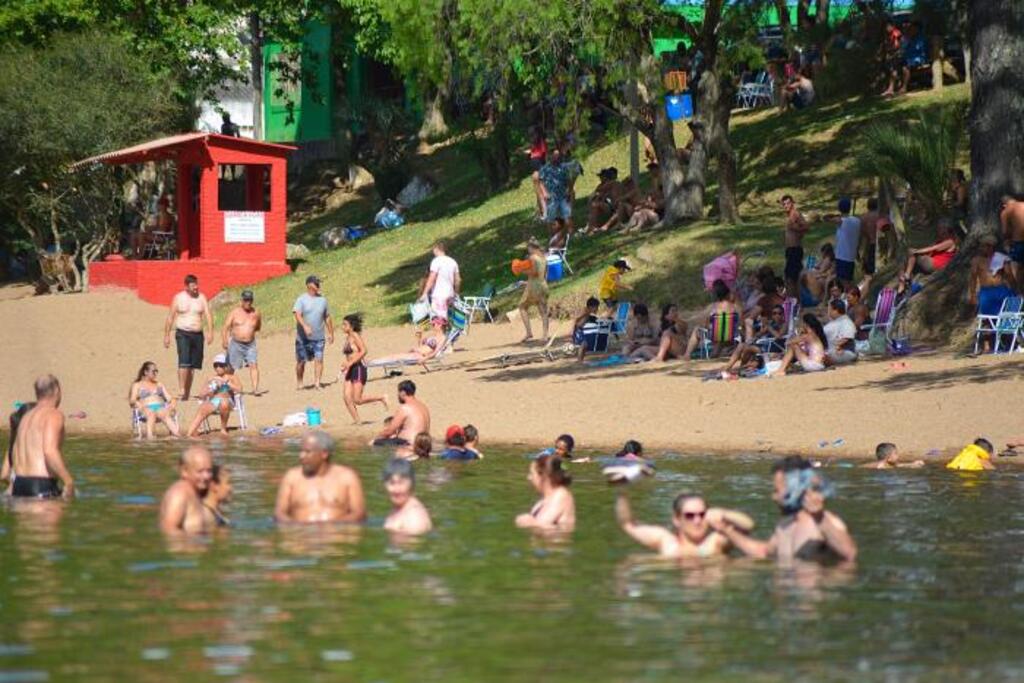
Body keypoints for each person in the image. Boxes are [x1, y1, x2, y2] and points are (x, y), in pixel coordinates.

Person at [711, 455, 858, 563]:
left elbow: (849, 553)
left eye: (777, 490)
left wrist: (820, 517)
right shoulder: (785, 525)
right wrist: (727, 530)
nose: (774, 497)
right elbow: (762, 552)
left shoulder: (826, 521)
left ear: (795, 489)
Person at [616, 492, 752, 559]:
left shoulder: (716, 541)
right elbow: (628, 524)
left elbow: (748, 526)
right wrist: (622, 490)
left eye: (702, 514)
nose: (697, 520)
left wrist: (723, 514)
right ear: (677, 519)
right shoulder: (666, 542)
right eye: (690, 516)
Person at [275, 431, 367, 523]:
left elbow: (359, 513)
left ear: (324, 454)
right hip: (300, 534)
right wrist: (294, 527)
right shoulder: (292, 477)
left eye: (307, 452)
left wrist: (333, 528)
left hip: (337, 534)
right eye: (301, 451)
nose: (301, 456)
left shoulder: (347, 477)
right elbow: (280, 513)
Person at [6, 376, 73, 499]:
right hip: (41, 484)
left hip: (19, 485)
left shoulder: (26, 417)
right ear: (57, 391)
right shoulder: (53, 414)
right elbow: (49, 451)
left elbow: (16, 451)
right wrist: (68, 481)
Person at [163, 274, 213, 400]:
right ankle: (181, 388)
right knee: (183, 362)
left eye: (196, 285)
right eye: (193, 286)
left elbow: (208, 315)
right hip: (183, 333)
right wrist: (167, 335)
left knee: (192, 366)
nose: (196, 288)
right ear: (186, 286)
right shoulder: (178, 298)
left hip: (197, 334)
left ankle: (187, 392)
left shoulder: (201, 298)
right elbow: (170, 317)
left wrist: (210, 332)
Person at [338, 313, 388, 424]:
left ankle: (381, 397)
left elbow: (364, 350)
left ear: (351, 326)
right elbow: (351, 354)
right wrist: (346, 363)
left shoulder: (355, 335)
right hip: (350, 369)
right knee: (346, 397)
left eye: (345, 324)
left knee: (357, 400)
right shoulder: (347, 337)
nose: (342, 327)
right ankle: (358, 422)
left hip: (358, 368)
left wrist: (350, 362)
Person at [159, 446, 214, 534]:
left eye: (209, 471)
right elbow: (169, 530)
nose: (206, 476)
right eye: (200, 471)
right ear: (184, 471)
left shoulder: (197, 492)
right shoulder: (179, 493)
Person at [683, 279, 742, 360]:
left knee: (697, 330)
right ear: (727, 293)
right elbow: (741, 322)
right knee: (723, 333)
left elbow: (705, 323)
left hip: (715, 337)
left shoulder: (712, 307)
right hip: (732, 337)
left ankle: (687, 355)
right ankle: (716, 352)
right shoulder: (735, 307)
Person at [514, 455, 575, 532]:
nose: (529, 478)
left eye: (532, 474)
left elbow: (545, 526)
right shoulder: (545, 499)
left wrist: (529, 522)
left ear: (544, 476)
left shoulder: (561, 495)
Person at [293, 275, 334, 390]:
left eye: (318, 283)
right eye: (316, 283)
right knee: (301, 362)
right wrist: (305, 326)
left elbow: (327, 317)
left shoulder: (323, 300)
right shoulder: (301, 299)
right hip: (303, 338)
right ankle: (300, 382)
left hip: (319, 337)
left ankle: (317, 383)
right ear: (309, 285)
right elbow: (297, 314)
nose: (318, 285)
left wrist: (331, 333)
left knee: (319, 359)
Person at [185, 354, 242, 437]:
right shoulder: (211, 378)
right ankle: (189, 433)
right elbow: (201, 395)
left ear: (226, 366)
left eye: (221, 365)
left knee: (224, 403)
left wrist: (226, 383)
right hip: (215, 400)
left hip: (228, 400)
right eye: (216, 365)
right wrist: (208, 390)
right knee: (202, 408)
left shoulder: (232, 377)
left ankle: (223, 428)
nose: (218, 368)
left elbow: (239, 389)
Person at [898, 219, 958, 294]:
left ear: (945, 229)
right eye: (938, 228)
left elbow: (935, 248)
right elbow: (930, 249)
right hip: (931, 262)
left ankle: (907, 276)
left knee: (914, 254)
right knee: (904, 259)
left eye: (940, 228)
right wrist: (916, 251)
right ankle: (901, 288)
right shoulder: (940, 240)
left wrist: (917, 251)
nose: (938, 230)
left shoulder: (950, 241)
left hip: (935, 265)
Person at [222, 290, 262, 395]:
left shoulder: (256, 313)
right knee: (230, 367)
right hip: (236, 343)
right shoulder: (235, 312)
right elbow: (225, 327)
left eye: (250, 300)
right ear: (242, 300)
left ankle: (255, 389)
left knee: (253, 364)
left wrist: (249, 332)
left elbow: (258, 327)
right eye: (246, 300)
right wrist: (224, 340)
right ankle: (226, 386)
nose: (248, 302)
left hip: (250, 344)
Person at [418, 241, 461, 339]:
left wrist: (424, 293)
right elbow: (458, 280)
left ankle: (440, 343)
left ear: (436, 249)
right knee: (448, 320)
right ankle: (449, 345)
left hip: (438, 295)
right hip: (450, 295)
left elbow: (432, 278)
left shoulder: (436, 261)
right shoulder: (452, 261)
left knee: (437, 321)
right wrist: (456, 293)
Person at [128, 361, 180, 439]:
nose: (155, 373)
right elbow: (132, 400)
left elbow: (170, 398)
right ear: (145, 372)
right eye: (153, 371)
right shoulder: (137, 385)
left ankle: (177, 435)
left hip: (160, 407)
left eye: (156, 371)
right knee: (151, 413)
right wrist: (138, 404)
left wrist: (172, 404)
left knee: (164, 413)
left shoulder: (159, 384)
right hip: (145, 408)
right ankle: (150, 437)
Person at [382, 458, 433, 536]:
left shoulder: (414, 517)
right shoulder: (399, 508)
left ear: (412, 483)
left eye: (401, 482)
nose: (396, 490)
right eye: (392, 483)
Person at [372, 380, 430, 447]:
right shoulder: (424, 407)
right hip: (424, 444)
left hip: (409, 443)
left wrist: (375, 439)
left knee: (376, 443)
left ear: (403, 393)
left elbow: (390, 431)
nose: (397, 395)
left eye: (398, 392)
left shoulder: (405, 408)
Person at [538, 148, 574, 241]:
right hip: (552, 197)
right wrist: (545, 193)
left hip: (562, 196)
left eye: (558, 155)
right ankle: (552, 237)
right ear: (550, 156)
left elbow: (569, 180)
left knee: (567, 214)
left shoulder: (563, 168)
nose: (557, 157)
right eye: (555, 155)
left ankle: (570, 234)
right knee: (550, 217)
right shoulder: (545, 169)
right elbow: (541, 182)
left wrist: (569, 190)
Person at [518, 238, 550, 342]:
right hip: (543, 285)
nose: (528, 250)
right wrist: (527, 282)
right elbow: (544, 275)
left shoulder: (532, 258)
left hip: (534, 287)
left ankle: (529, 332)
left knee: (522, 306)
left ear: (531, 248)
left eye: (528, 248)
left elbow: (534, 272)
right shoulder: (544, 258)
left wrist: (521, 270)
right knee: (543, 311)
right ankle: (545, 335)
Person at [781, 195, 810, 299]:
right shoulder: (789, 215)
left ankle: (793, 302)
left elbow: (806, 227)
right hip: (790, 250)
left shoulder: (795, 213)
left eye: (788, 203)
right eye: (784, 204)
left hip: (795, 250)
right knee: (793, 278)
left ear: (792, 203)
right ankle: (796, 302)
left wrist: (795, 228)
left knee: (790, 278)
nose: (786, 206)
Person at [828, 197, 862, 286]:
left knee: (842, 283)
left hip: (842, 256)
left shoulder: (841, 221)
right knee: (848, 280)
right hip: (851, 256)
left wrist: (834, 216)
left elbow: (826, 218)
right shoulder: (857, 221)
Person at [370, 331, 444, 367]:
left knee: (394, 358)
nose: (433, 325)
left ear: (440, 325)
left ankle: (372, 363)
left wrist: (424, 359)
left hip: (419, 356)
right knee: (394, 356)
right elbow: (421, 347)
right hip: (415, 353)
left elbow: (435, 353)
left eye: (434, 324)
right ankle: (372, 361)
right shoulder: (434, 335)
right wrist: (420, 339)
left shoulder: (442, 338)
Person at [823, 299, 858, 365]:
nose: (829, 312)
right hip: (830, 349)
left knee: (824, 356)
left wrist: (838, 347)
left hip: (845, 351)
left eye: (830, 309)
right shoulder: (834, 321)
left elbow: (846, 338)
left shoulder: (846, 322)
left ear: (836, 310)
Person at [586, 167, 621, 232]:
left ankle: (592, 226)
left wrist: (600, 195)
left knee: (595, 204)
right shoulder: (601, 185)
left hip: (614, 206)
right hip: (607, 205)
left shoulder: (614, 183)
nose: (600, 178)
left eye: (601, 176)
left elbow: (600, 192)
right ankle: (592, 226)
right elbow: (593, 196)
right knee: (594, 204)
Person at [999, 196, 1024, 287]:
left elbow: (1005, 232)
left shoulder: (1006, 212)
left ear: (1004, 205)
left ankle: (1020, 290)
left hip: (1019, 242)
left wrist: (1006, 241)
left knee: (1016, 265)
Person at [572, 296, 601, 362]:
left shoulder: (588, 313)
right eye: (596, 307)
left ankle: (581, 360)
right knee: (583, 345)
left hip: (582, 331)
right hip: (579, 331)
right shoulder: (586, 312)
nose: (597, 309)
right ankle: (579, 360)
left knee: (585, 346)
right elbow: (577, 322)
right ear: (591, 307)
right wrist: (573, 331)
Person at [527, 128, 548, 219]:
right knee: (539, 193)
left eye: (533, 135)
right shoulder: (534, 145)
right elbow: (531, 152)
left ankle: (545, 212)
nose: (531, 137)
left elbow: (543, 155)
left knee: (543, 193)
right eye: (531, 136)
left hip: (539, 170)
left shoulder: (541, 143)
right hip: (536, 171)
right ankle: (542, 211)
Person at [859, 197, 881, 279]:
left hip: (869, 244)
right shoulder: (880, 216)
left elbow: (862, 234)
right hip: (880, 244)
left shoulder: (863, 218)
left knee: (868, 269)